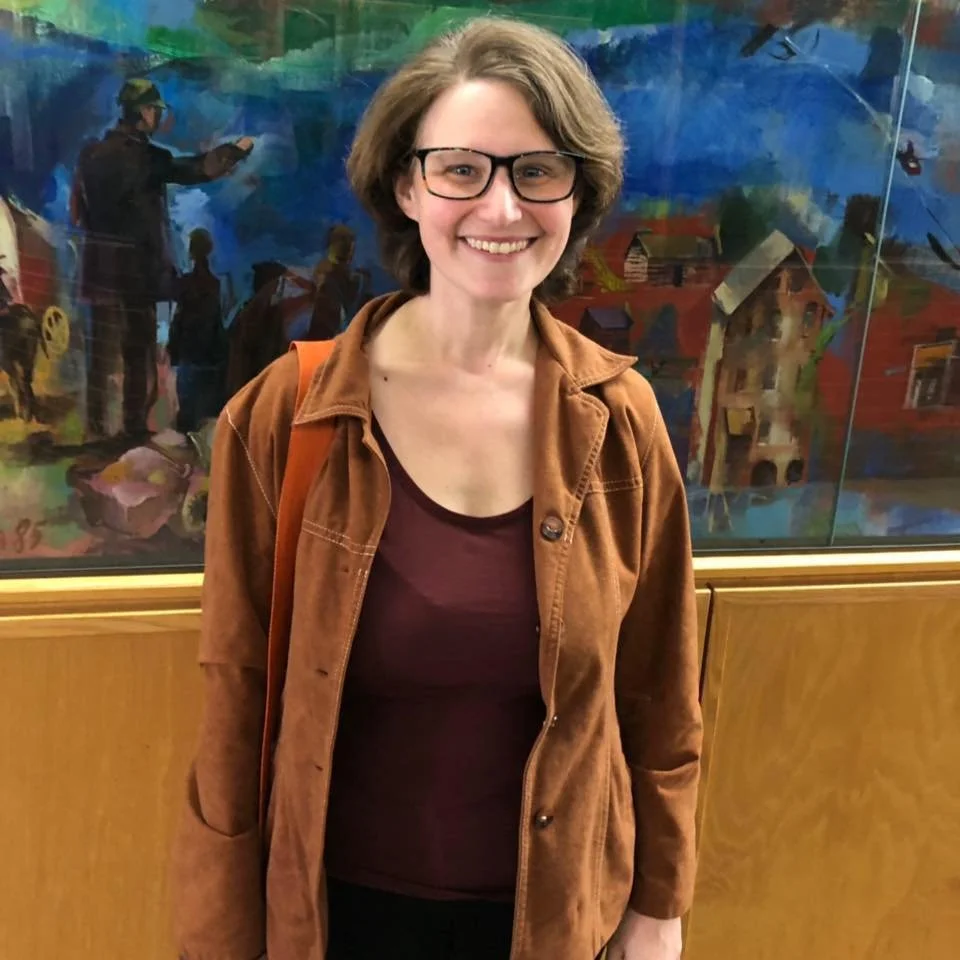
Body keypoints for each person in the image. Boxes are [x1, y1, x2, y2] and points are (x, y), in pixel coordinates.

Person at [173, 17, 702, 960]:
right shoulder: (286, 416)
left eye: (537, 171)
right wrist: (220, 936)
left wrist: (658, 908)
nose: (501, 208)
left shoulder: (620, 423)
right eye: (461, 169)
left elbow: (661, 698)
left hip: (552, 921)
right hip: (337, 919)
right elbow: (234, 700)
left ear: (577, 191)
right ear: (406, 186)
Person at [71, 79, 253, 441]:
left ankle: (95, 427)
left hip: (99, 269)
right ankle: (132, 427)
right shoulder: (148, 158)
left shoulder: (90, 155)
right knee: (137, 351)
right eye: (156, 110)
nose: (158, 117)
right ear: (143, 112)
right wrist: (236, 150)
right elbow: (198, 169)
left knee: (100, 351)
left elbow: (78, 211)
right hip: (136, 274)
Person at [168, 229, 227, 433]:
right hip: (207, 349)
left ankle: (188, 431)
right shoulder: (214, 284)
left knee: (187, 397)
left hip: (189, 347)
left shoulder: (186, 283)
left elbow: (179, 316)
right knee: (201, 399)